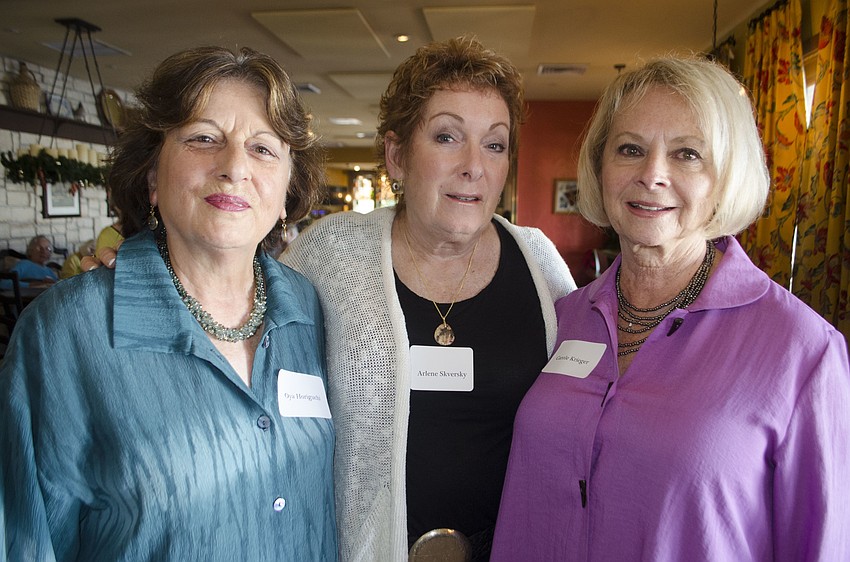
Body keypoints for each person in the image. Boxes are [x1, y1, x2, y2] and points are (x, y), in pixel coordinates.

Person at [491, 56, 850, 560]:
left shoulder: (802, 352)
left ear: (726, 177)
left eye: (687, 154)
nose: (652, 175)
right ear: (600, 167)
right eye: (630, 149)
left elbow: (821, 545)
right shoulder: (560, 317)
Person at [0, 46, 338, 561]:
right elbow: (26, 537)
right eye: (203, 139)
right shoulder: (68, 330)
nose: (233, 168)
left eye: (264, 149)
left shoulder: (311, 310)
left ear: (289, 187)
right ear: (153, 177)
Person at [281, 36, 576, 561]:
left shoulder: (540, 263)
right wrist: (167, 275)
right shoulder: (331, 254)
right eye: (446, 137)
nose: (473, 166)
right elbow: (245, 328)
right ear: (396, 155)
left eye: (495, 143)